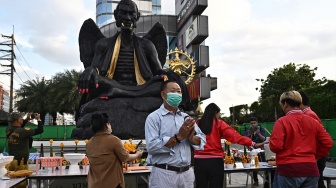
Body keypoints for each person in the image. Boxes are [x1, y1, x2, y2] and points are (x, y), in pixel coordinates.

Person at [145, 80, 206, 188]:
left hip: (186, 174)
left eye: (179, 92)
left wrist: (191, 138)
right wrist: (179, 137)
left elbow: (202, 139)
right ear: (163, 95)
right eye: (173, 91)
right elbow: (152, 146)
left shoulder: (185, 117)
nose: (177, 94)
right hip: (164, 173)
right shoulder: (154, 118)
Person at [270, 91, 333, 188]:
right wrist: (315, 156)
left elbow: (275, 146)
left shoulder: (281, 122)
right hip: (311, 169)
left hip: (288, 169)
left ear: (285, 104)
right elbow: (328, 142)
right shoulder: (312, 121)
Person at [194, 103, 264, 188]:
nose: (219, 116)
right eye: (218, 114)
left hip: (199, 161)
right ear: (215, 112)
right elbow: (234, 136)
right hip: (215, 161)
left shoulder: (197, 124)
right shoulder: (218, 123)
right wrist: (251, 143)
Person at [86, 112, 142, 188]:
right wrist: (137, 154)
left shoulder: (89, 143)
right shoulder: (114, 140)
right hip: (112, 184)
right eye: (109, 124)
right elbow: (126, 158)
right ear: (106, 125)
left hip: (94, 184)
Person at [299, 90, 326, 188]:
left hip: (315, 157)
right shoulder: (308, 114)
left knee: (317, 183)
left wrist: (315, 157)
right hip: (315, 156)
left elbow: (318, 138)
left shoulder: (308, 115)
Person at [244, 116, 267, 187]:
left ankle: (267, 180)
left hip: (261, 150)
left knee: (264, 165)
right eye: (251, 123)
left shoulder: (261, 129)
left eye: (254, 123)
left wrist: (258, 133)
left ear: (257, 123)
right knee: (253, 166)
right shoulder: (248, 130)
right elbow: (246, 140)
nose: (253, 125)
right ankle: (255, 180)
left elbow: (264, 139)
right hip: (252, 150)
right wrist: (250, 135)